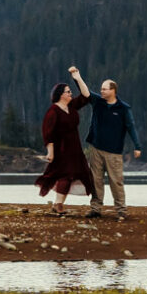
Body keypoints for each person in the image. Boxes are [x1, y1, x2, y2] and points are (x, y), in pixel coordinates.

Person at [67, 66, 144, 218]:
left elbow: (131, 127)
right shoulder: (98, 102)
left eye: (104, 89)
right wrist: (77, 78)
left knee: (116, 182)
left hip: (114, 152)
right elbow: (86, 92)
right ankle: (96, 209)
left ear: (113, 90)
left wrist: (137, 146)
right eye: (101, 89)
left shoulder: (123, 108)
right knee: (95, 179)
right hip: (96, 148)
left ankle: (121, 210)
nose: (101, 91)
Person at [34, 80, 96, 213]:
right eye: (68, 92)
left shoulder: (71, 106)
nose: (71, 93)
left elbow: (86, 95)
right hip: (61, 149)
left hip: (75, 148)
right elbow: (48, 134)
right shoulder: (53, 111)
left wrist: (77, 77)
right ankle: (58, 204)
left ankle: (58, 204)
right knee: (65, 175)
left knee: (77, 174)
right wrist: (50, 152)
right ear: (60, 95)